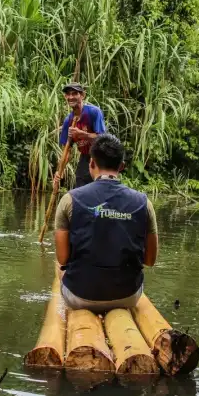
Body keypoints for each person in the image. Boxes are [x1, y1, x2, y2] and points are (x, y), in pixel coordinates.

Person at [53, 134, 158, 313]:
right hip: (128, 296)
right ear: (122, 166)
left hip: (80, 296)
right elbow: (150, 260)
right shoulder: (144, 203)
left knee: (59, 268)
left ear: (91, 163)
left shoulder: (69, 200)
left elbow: (63, 258)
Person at [53, 82, 106, 190]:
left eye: (74, 94)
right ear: (65, 97)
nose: (71, 97)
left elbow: (102, 139)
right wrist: (59, 172)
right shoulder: (69, 121)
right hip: (85, 158)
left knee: (100, 193)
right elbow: (67, 151)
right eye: (68, 94)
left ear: (82, 95)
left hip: (100, 158)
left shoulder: (94, 112)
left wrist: (82, 134)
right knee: (80, 189)